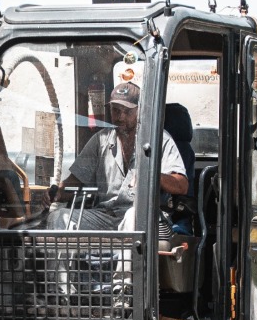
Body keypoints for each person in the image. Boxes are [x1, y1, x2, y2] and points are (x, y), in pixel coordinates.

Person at [55, 81, 187, 230]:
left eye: (128, 111)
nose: (121, 117)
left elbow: (182, 185)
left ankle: (129, 255)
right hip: (104, 215)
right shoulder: (100, 140)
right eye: (116, 110)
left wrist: (151, 175)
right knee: (59, 217)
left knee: (133, 217)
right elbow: (76, 179)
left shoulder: (159, 139)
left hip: (142, 216)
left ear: (141, 111)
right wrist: (57, 193)